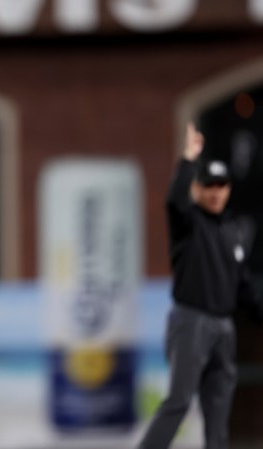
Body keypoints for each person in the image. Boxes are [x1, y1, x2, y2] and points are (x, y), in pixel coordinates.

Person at [137, 122, 262, 449]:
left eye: (222, 185)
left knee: (218, 409)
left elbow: (243, 285)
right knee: (178, 401)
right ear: (198, 189)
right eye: (209, 185)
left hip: (224, 327)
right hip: (191, 321)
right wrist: (188, 159)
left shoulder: (231, 230)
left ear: (229, 189)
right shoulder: (189, 222)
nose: (216, 192)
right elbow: (174, 201)